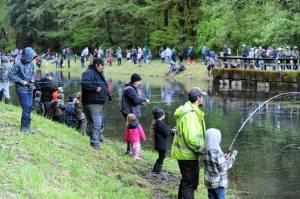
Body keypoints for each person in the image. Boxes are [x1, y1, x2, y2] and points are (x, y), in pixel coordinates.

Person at [170, 87, 207, 199]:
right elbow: (191, 138)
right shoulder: (191, 114)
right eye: (202, 97)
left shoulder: (188, 109)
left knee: (186, 181)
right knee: (190, 183)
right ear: (198, 98)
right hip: (187, 155)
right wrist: (202, 150)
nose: (203, 99)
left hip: (184, 154)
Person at [81, 58, 111, 151]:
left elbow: (103, 86)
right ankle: (95, 144)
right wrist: (95, 88)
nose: (103, 67)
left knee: (98, 123)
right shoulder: (89, 72)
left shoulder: (99, 73)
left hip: (98, 103)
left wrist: (107, 96)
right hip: (92, 103)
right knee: (97, 124)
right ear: (97, 65)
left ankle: (95, 140)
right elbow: (84, 83)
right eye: (102, 65)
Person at [202, 128, 238, 199]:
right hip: (218, 183)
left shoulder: (204, 150)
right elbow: (224, 167)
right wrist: (232, 158)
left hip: (209, 183)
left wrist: (223, 158)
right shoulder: (217, 152)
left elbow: (214, 161)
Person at [120, 73, 150, 154]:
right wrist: (145, 100)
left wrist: (142, 103)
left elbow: (134, 101)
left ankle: (129, 150)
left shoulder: (131, 88)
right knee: (133, 131)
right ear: (136, 82)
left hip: (130, 112)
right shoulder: (130, 89)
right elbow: (136, 100)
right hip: (130, 114)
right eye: (139, 82)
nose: (140, 84)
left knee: (130, 130)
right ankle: (134, 152)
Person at [11, 47, 37, 133]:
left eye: (32, 58)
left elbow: (32, 74)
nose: (31, 60)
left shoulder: (31, 64)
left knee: (29, 106)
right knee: (26, 106)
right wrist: (22, 82)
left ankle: (28, 126)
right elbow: (12, 75)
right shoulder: (17, 64)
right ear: (25, 56)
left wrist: (32, 80)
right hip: (21, 88)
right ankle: (24, 128)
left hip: (30, 88)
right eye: (30, 57)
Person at [151, 107, 174, 174]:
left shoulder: (157, 122)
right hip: (161, 145)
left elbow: (164, 132)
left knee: (161, 156)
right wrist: (172, 131)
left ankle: (155, 169)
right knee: (162, 157)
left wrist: (170, 130)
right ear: (161, 115)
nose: (164, 115)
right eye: (163, 114)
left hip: (158, 144)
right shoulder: (161, 124)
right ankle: (158, 171)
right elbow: (166, 134)